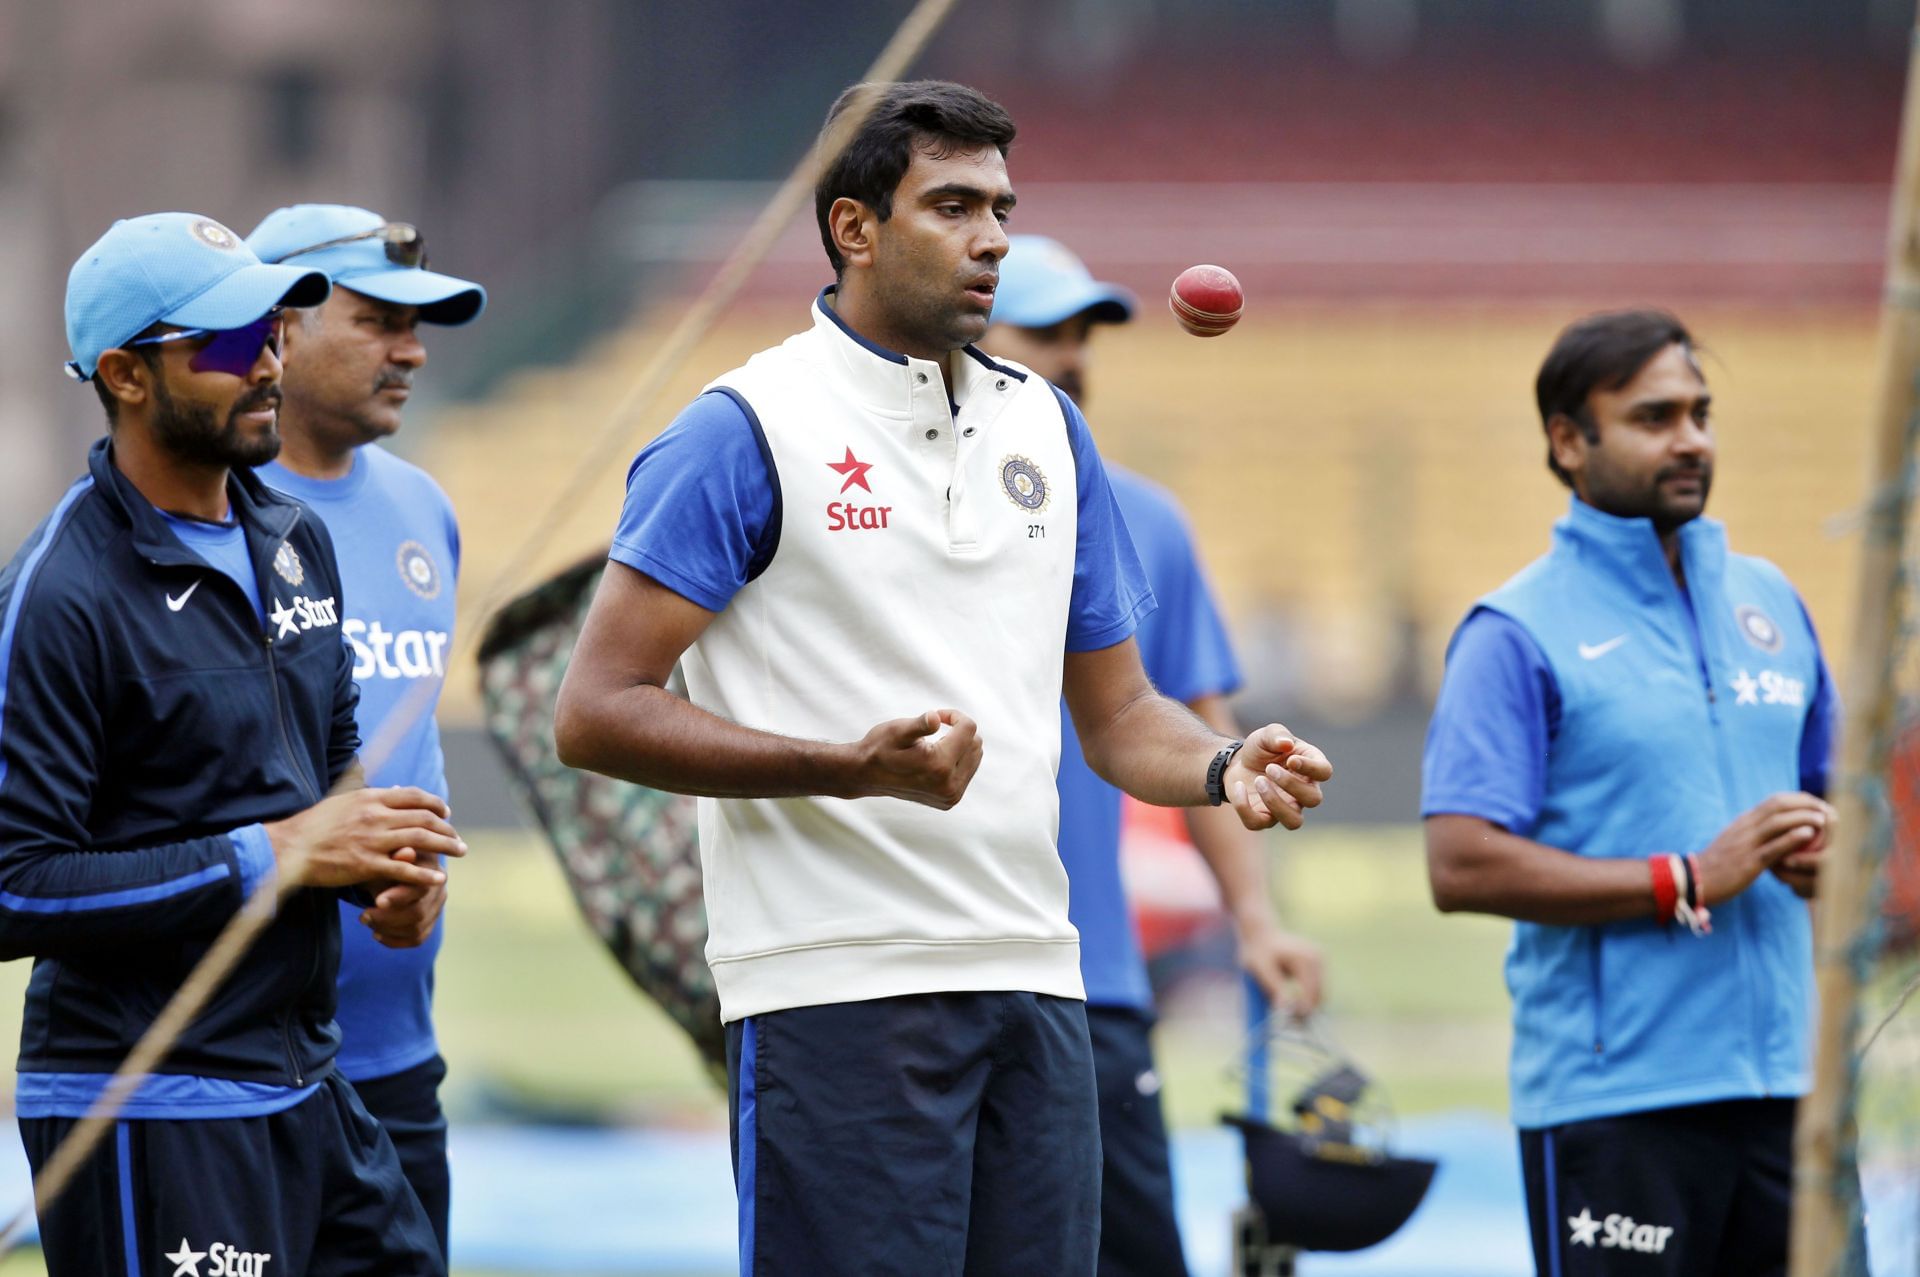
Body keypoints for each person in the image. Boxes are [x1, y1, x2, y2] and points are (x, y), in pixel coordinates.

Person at [554, 80, 1333, 1276]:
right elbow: (595, 711)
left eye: (1002, 208)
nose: (993, 239)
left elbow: (1121, 714)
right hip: (835, 992)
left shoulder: (1049, 430)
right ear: (855, 228)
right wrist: (847, 768)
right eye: (954, 205)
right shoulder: (744, 427)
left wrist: (1226, 764)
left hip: (1039, 980)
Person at [0, 212, 462, 1275]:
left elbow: (329, 768)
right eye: (222, 343)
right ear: (123, 373)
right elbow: (15, 883)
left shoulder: (293, 540)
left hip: (309, 1080)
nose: (264, 363)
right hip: (147, 1099)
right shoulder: (59, 593)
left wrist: (386, 869)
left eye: (272, 331)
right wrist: (280, 852)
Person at [1421, 309, 1837, 1276]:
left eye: (1701, 413)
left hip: (1792, 1088)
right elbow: (1459, 861)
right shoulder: (1513, 629)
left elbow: (1841, 808)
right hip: (1615, 1103)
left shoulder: (1773, 602)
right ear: (1569, 440)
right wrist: (1686, 875)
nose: (1691, 438)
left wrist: (1833, 859)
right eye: (1655, 417)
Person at [983, 234, 1325, 1277]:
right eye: (1047, 330)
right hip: (924, 966)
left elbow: (1208, 734)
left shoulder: (1146, 517)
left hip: (1096, 983)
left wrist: (1256, 919)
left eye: (1086, 333)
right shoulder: (888, 506)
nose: (1075, 354)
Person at [244, 204, 484, 1258]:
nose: (412, 350)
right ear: (280, 327)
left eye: (418, 324)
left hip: (398, 1061)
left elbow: (406, 742)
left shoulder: (424, 507)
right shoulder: (195, 514)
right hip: (228, 1069)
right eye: (379, 318)